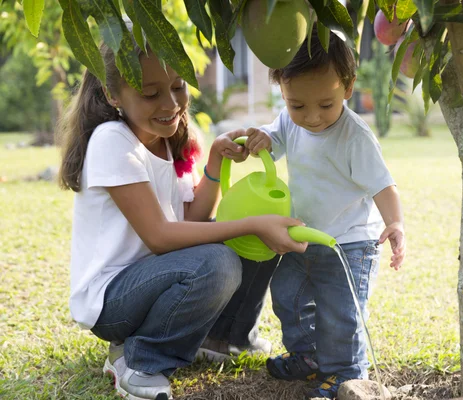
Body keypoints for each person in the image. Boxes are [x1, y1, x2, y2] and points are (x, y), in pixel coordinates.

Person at [57, 28, 307, 400]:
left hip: (157, 281)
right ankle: (141, 360)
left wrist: (216, 161)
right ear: (113, 96)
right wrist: (253, 224)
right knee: (219, 258)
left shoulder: (165, 141)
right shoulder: (113, 140)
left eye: (178, 86)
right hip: (113, 300)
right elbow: (159, 236)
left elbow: (190, 219)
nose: (170, 102)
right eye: (150, 93)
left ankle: (223, 338)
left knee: (246, 237)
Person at [243, 28, 407, 399]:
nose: (312, 117)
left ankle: (346, 372)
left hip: (348, 243)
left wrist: (395, 222)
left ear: (348, 87)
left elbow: (384, 185)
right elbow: (277, 138)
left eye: (325, 105)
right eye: (297, 105)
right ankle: (308, 355)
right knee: (288, 295)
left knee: (339, 313)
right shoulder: (290, 120)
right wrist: (264, 139)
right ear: (283, 91)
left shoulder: (354, 137)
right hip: (302, 236)